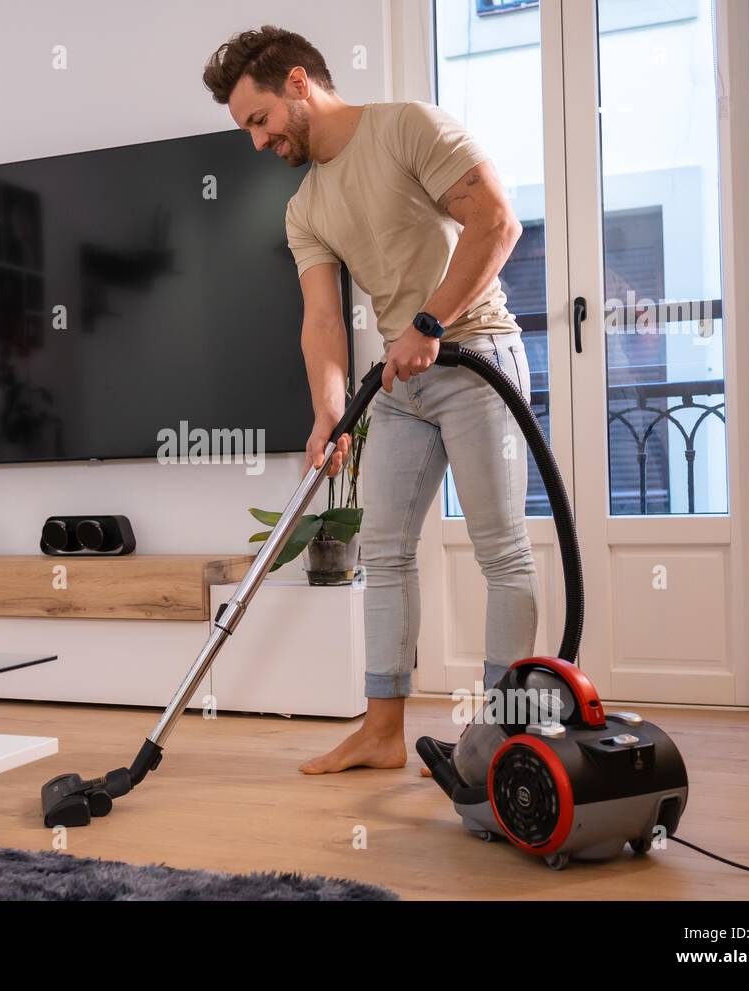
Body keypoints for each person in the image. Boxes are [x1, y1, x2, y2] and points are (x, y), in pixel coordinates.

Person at [202, 26, 538, 774]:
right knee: (382, 553)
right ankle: (383, 732)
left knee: (502, 551)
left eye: (258, 121)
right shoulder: (306, 207)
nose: (257, 143)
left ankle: (506, 737)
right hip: (399, 384)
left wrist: (429, 322)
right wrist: (327, 409)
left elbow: (497, 221)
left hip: (477, 354)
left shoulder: (407, 127)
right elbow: (320, 321)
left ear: (298, 83)